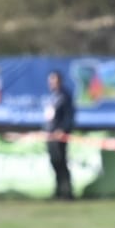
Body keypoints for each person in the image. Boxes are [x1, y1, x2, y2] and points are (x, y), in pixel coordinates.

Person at [43, 70, 75, 200]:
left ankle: (67, 192)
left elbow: (69, 116)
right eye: (50, 80)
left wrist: (62, 130)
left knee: (62, 163)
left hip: (59, 136)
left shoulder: (64, 95)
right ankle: (58, 191)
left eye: (54, 80)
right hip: (50, 135)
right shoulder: (52, 96)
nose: (51, 83)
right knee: (55, 163)